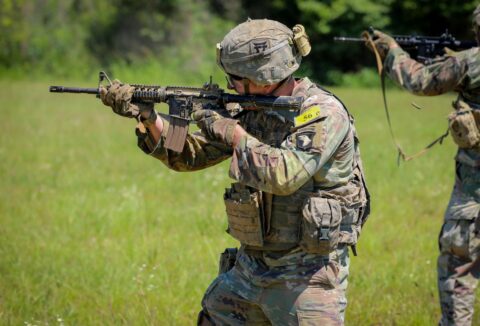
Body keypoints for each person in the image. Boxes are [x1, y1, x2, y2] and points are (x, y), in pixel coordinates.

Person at [100, 19, 369, 325]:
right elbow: (186, 156)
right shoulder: (251, 109)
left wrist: (229, 130)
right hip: (249, 269)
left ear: (264, 76)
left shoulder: (321, 112)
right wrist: (149, 117)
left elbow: (284, 175)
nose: (230, 85)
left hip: (306, 275)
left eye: (236, 78)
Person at [365, 6, 480, 326]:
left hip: (475, 192)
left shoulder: (471, 62)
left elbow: (420, 80)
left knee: (458, 267)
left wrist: (390, 51)